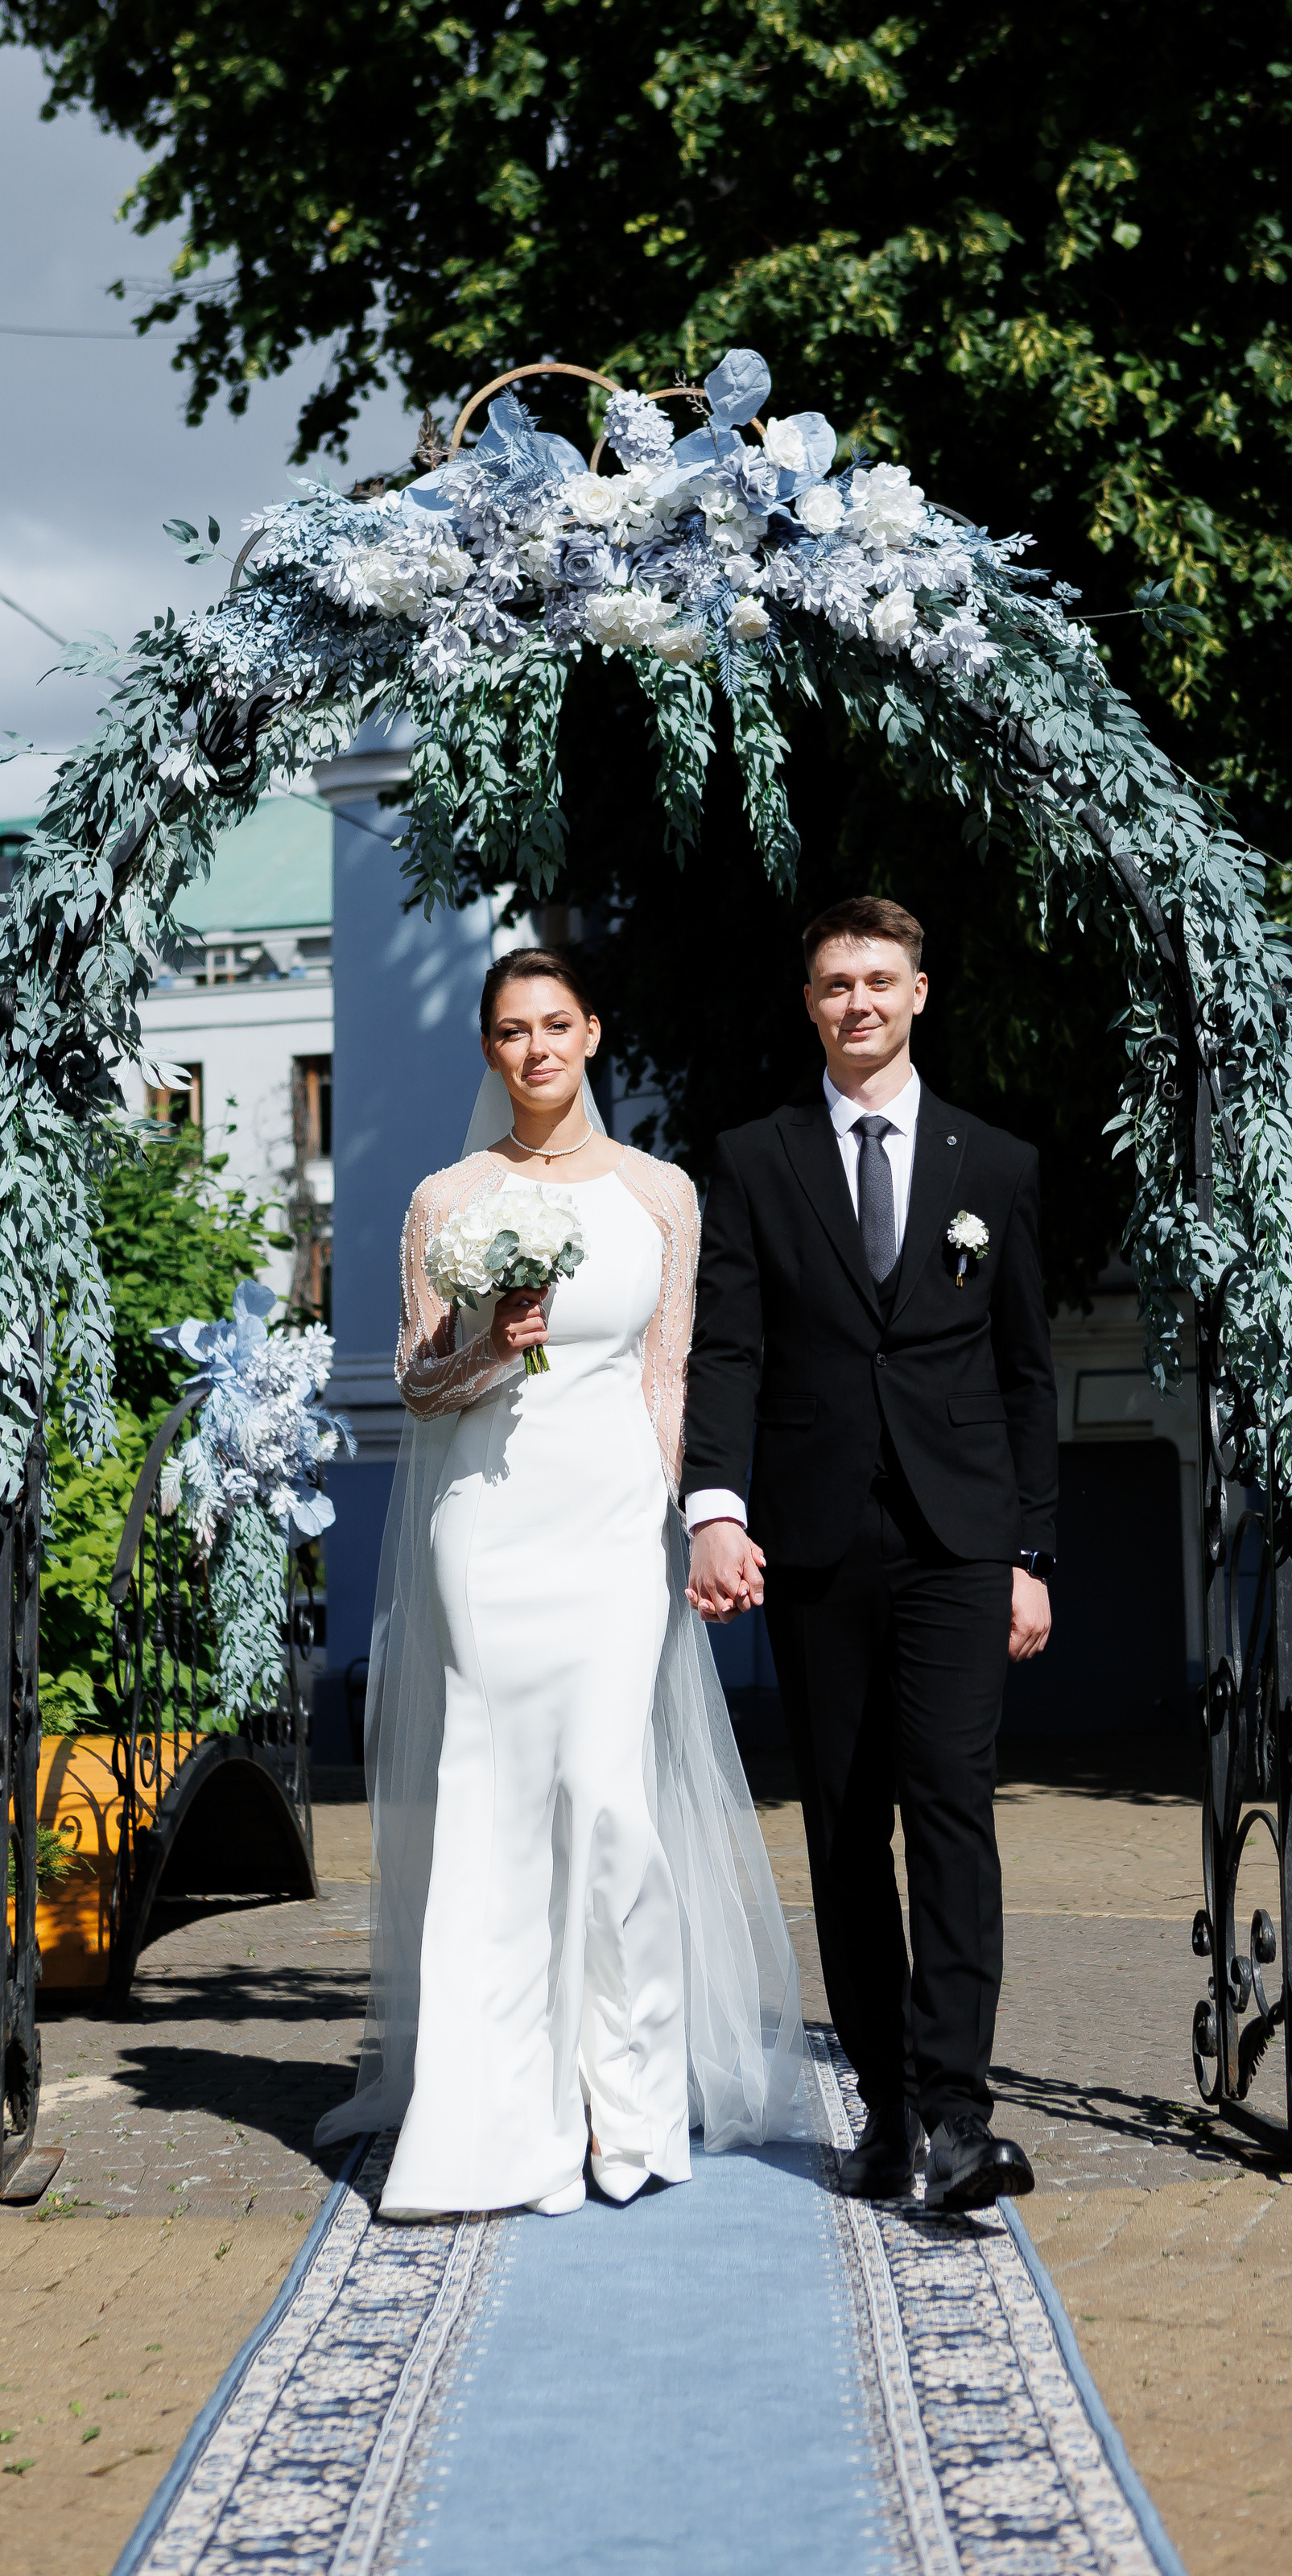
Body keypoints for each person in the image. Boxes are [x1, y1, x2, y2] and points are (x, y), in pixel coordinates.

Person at [315, 947, 802, 2217]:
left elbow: (669, 1375)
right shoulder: (445, 1200)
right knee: (495, 1813)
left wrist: (694, 1519)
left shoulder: (661, 1197)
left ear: (591, 1034)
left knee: (610, 1805)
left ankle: (627, 2120)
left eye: (555, 1025)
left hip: (613, 1526)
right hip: (487, 1527)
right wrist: (487, 1343)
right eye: (510, 1031)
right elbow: (416, 1385)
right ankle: (494, 2128)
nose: (534, 1049)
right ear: (490, 1051)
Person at [681, 897, 1056, 2213]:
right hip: (817, 1538)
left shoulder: (993, 1163)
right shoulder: (754, 1158)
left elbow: (1024, 1377)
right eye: (835, 983)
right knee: (846, 1830)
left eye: (879, 981)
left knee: (951, 1813)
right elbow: (727, 1346)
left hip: (959, 1542)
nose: (857, 1002)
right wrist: (713, 1509)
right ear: (810, 1003)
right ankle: (888, 2115)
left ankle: (959, 2117)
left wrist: (1031, 1551)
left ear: (918, 993)